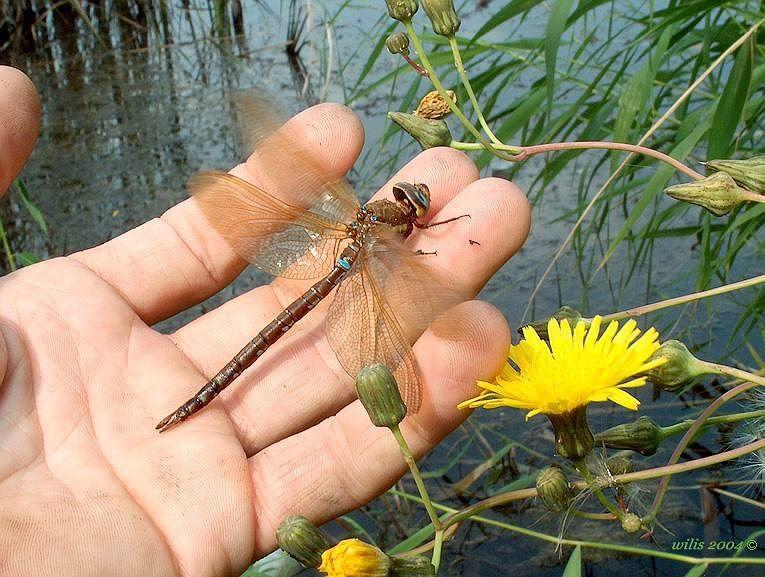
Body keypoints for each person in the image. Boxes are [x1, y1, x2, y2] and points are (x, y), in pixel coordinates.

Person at [0, 65, 531, 576]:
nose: (412, 204)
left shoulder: (362, 219)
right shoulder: (395, 237)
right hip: (351, 272)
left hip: (343, 264)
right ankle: (192, 404)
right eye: (412, 201)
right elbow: (418, 262)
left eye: (413, 203)